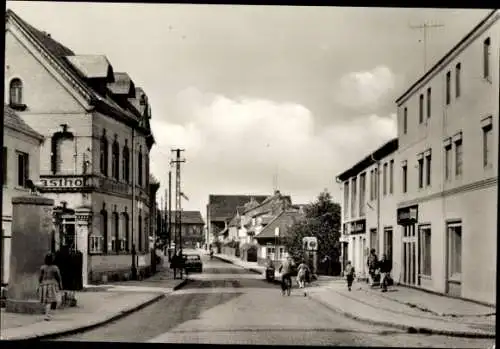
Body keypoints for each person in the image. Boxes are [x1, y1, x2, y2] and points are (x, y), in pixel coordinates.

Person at [38, 253, 63, 321]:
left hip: (43, 285)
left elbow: (40, 277)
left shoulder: (42, 267)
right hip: (52, 285)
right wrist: (60, 285)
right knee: (50, 301)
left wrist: (40, 283)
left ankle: (46, 311)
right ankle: (47, 315)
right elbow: (59, 277)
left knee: (45, 300)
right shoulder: (55, 268)